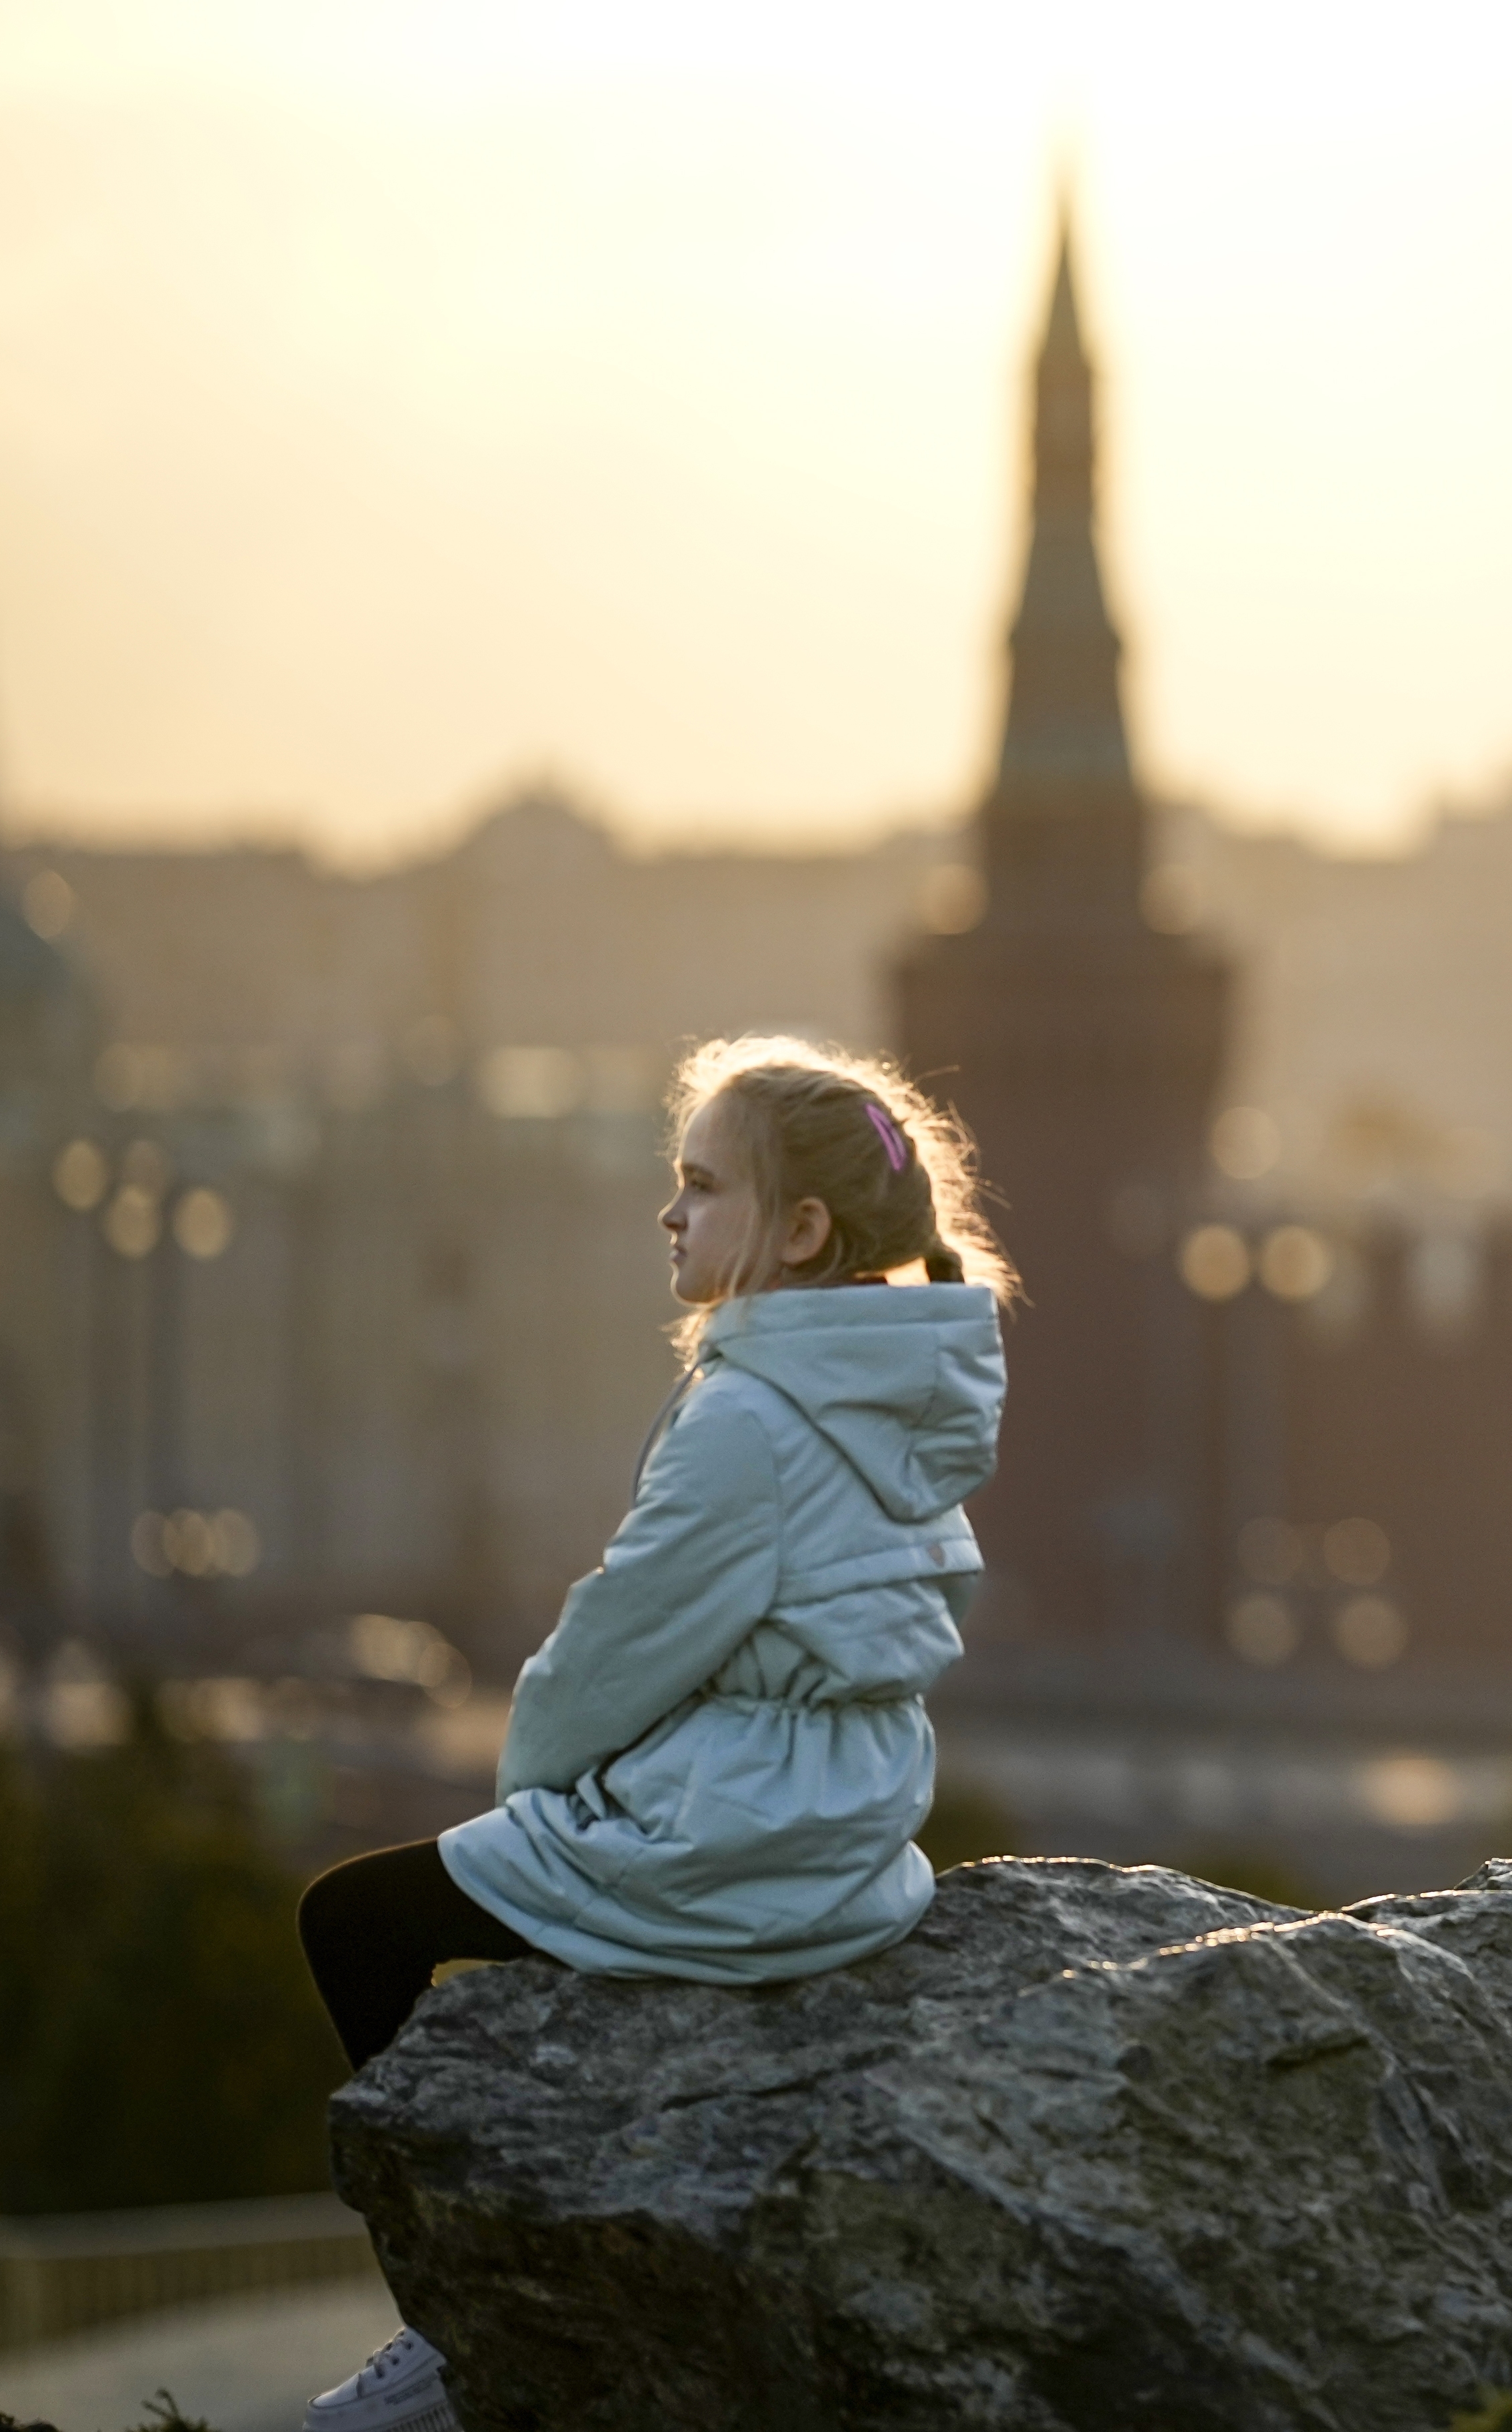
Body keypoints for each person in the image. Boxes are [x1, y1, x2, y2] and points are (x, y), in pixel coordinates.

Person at [289, 1039, 1013, 2431]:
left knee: (356, 1920)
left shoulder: (748, 1413)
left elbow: (621, 1638)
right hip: (855, 1825)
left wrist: (535, 1796)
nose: (669, 1214)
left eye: (700, 1186)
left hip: (744, 1828)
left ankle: (454, 2319)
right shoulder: (898, 1393)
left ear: (799, 1229)